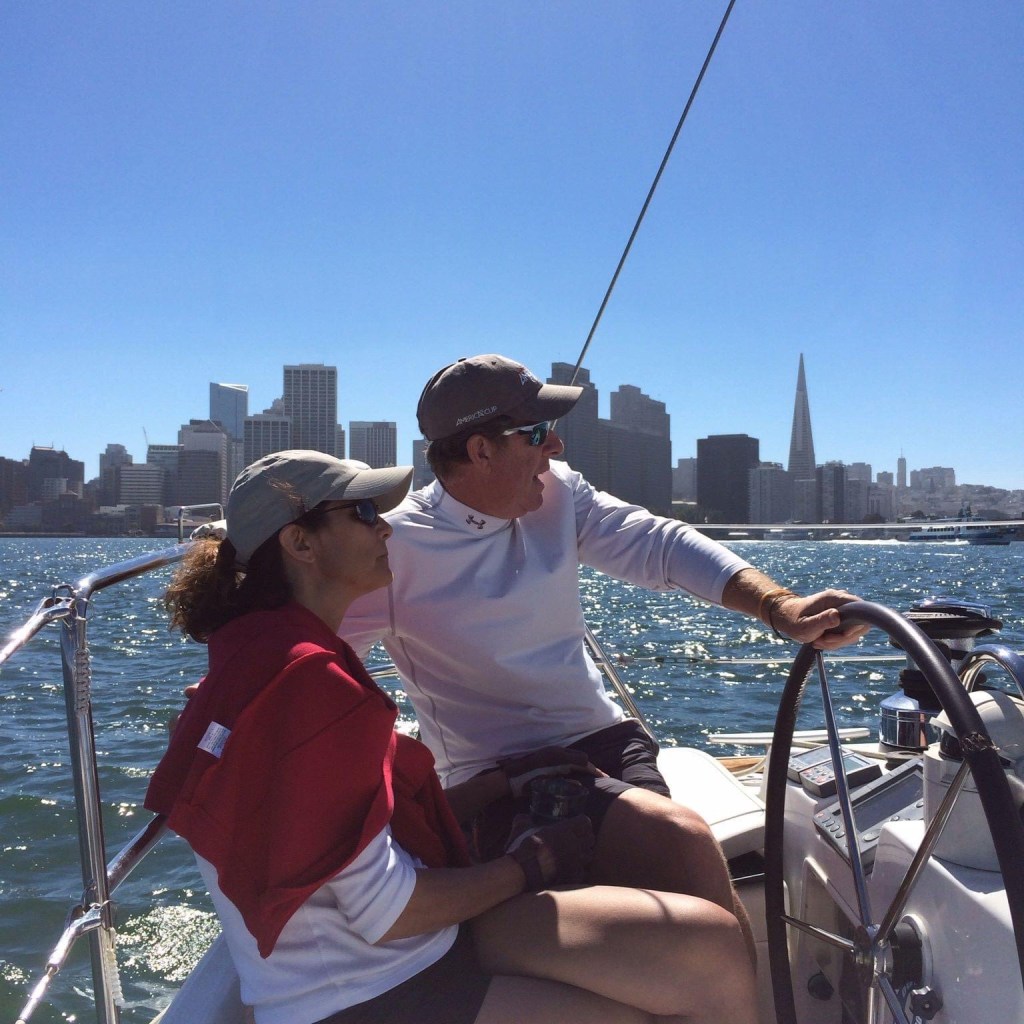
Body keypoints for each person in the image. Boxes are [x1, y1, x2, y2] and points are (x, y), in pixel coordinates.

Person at [146, 450, 758, 1024]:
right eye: (362, 514)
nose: (386, 529)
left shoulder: (258, 658)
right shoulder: (310, 689)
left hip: (354, 966)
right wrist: (533, 861)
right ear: (300, 542)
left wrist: (496, 785)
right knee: (708, 957)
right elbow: (390, 913)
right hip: (379, 988)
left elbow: (344, 821)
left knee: (701, 939)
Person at [341, 354, 870, 959]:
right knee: (681, 841)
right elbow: (315, 663)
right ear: (482, 451)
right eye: (537, 433)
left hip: (604, 742)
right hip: (493, 777)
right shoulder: (395, 549)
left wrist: (779, 608)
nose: (557, 446)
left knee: (677, 876)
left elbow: (659, 544)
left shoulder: (556, 492)